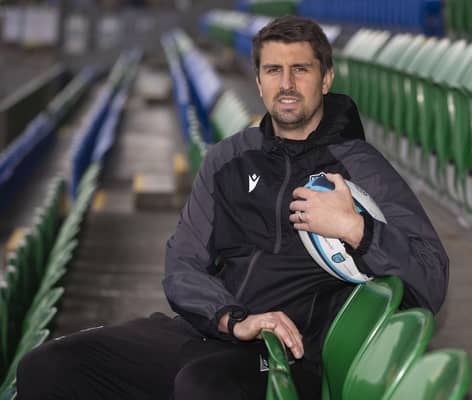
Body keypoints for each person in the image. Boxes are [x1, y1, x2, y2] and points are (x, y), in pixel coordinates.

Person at [16, 15, 448, 400]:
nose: (288, 84)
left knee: (203, 387)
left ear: (326, 79)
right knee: (46, 366)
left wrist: (359, 230)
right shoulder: (228, 159)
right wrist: (231, 318)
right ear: (258, 81)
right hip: (213, 329)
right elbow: (183, 263)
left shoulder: (360, 167)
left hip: (285, 354)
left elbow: (431, 277)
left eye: (301, 69)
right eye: (274, 71)